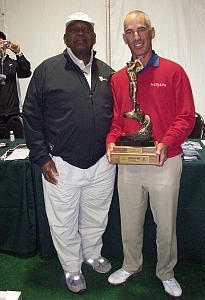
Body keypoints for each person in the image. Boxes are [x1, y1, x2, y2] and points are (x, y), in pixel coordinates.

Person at [23, 12, 116, 294]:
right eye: (74, 30)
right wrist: (42, 157)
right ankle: (72, 267)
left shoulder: (107, 72)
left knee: (96, 215)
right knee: (63, 220)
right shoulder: (47, 70)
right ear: (65, 38)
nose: (80, 33)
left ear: (94, 37)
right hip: (61, 164)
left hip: (102, 163)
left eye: (86, 29)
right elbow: (31, 115)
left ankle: (92, 253)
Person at [106, 10, 195, 298]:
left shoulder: (173, 71)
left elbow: (186, 116)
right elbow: (118, 121)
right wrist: (110, 142)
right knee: (129, 220)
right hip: (129, 162)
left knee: (165, 223)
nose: (136, 37)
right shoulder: (118, 78)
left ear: (152, 33)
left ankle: (166, 271)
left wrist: (167, 141)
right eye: (130, 32)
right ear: (124, 38)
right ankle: (131, 265)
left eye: (141, 30)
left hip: (164, 161)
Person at [0, 31, 31, 138]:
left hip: (13, 113)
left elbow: (26, 72)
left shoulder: (12, 63)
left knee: (16, 145)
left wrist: (18, 53)